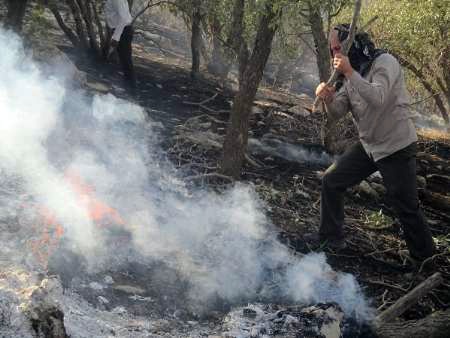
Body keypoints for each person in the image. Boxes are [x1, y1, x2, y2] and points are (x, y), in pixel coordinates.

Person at [311, 24, 436, 262]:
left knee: (406, 205)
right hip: (369, 146)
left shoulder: (384, 62)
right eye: (333, 49)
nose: (336, 53)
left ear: (353, 44)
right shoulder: (351, 74)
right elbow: (338, 112)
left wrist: (348, 73)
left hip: (396, 145)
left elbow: (378, 97)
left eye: (340, 47)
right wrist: (328, 98)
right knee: (332, 180)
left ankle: (425, 260)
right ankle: (331, 238)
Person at [105, 0, 136, 91]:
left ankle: (132, 92)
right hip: (122, 30)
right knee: (125, 61)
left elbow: (123, 19)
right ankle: (129, 89)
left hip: (123, 31)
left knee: (126, 62)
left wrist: (116, 37)